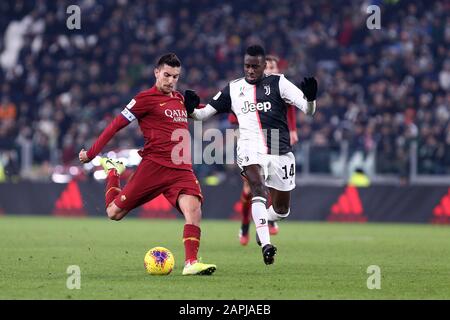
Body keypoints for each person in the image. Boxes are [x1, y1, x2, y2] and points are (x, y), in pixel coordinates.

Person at [78, 53, 216, 276]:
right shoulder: (144, 99)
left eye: (176, 77)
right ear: (156, 73)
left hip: (181, 168)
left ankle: (191, 262)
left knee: (194, 210)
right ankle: (113, 170)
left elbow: (206, 110)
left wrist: (232, 105)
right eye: (167, 75)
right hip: (153, 167)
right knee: (114, 213)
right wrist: (93, 154)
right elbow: (115, 125)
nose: (171, 81)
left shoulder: (180, 99)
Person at [183, 45, 317, 265]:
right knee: (257, 188)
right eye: (247, 66)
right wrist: (190, 109)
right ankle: (266, 245)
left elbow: (308, 110)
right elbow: (202, 114)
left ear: (264, 66)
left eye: (255, 66)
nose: (251, 70)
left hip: (278, 148)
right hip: (248, 147)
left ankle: (262, 221)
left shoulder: (279, 83)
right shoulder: (233, 88)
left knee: (282, 210)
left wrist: (311, 98)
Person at [229, 54, 299, 246]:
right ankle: (245, 225)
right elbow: (234, 117)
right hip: (251, 142)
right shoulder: (246, 90)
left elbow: (290, 110)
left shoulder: (280, 88)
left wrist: (292, 130)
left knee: (272, 185)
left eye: (273, 67)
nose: (270, 71)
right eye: (267, 67)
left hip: (276, 141)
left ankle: (267, 219)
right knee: (251, 188)